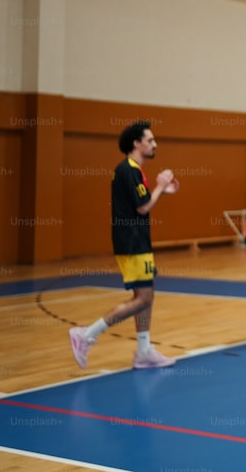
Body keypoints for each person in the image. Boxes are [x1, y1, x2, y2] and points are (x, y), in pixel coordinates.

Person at [69, 121, 180, 370]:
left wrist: (162, 191)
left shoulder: (133, 170)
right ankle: (86, 335)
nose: (155, 144)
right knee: (143, 299)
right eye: (150, 140)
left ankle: (143, 351)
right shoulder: (128, 170)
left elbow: (141, 204)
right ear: (136, 143)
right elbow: (143, 207)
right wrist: (161, 185)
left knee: (146, 297)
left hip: (138, 240)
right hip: (132, 242)